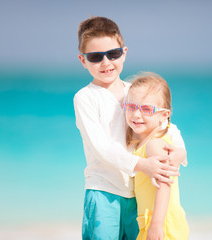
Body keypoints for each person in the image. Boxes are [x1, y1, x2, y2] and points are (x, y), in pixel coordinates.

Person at [74, 16, 187, 239]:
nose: (106, 63)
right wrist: (142, 164)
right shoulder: (85, 97)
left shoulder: (133, 91)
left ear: (123, 53)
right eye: (96, 57)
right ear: (83, 60)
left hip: (136, 195)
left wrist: (181, 151)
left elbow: (165, 124)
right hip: (104, 190)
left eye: (113, 54)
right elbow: (101, 146)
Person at [125, 72, 189, 240]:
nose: (136, 115)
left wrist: (156, 224)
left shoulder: (155, 144)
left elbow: (165, 184)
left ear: (164, 115)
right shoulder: (142, 144)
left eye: (146, 109)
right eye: (131, 107)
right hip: (152, 221)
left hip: (162, 224)